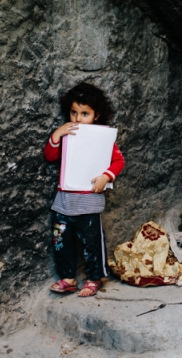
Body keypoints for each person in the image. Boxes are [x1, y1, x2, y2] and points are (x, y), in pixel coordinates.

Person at [44, 82, 125, 297]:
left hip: (89, 201)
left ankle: (93, 278)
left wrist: (106, 176)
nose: (78, 119)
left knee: (91, 244)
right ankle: (68, 278)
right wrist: (56, 135)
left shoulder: (102, 138)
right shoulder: (67, 135)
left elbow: (118, 161)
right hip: (64, 201)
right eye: (74, 112)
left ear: (96, 115)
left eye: (85, 113)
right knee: (62, 242)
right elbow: (51, 156)